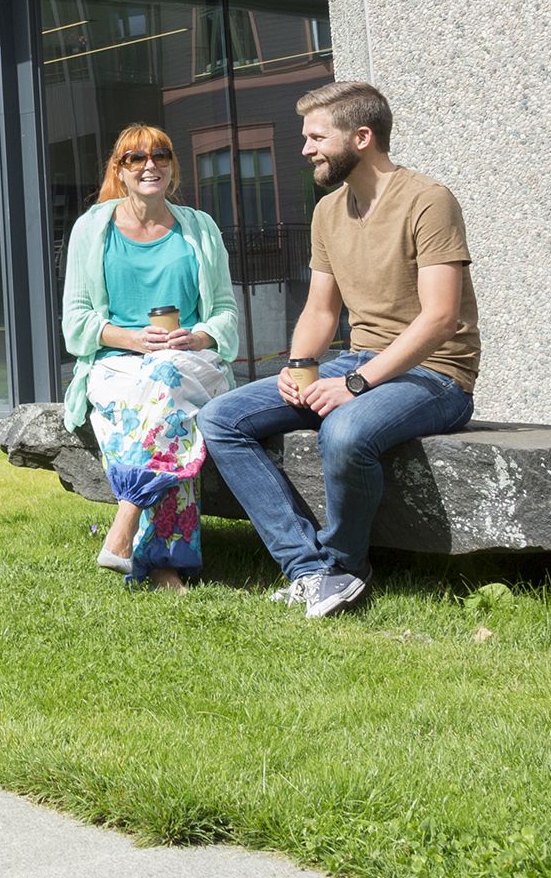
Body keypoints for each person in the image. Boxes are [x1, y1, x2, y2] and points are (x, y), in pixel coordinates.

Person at [195, 81, 477, 619]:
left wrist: (355, 385)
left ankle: (346, 566)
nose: (305, 149)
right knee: (221, 418)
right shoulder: (327, 211)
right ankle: (309, 569)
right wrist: (299, 367)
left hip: (437, 375)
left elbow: (441, 318)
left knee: (343, 432)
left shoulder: (428, 200)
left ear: (362, 137)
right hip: (360, 360)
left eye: (317, 137)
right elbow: (321, 311)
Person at [61, 123, 240, 590]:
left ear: (172, 166)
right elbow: (76, 323)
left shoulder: (199, 228)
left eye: (160, 155)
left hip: (190, 361)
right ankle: (164, 565)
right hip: (118, 360)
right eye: (136, 158)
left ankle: (127, 519)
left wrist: (199, 336)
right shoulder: (92, 230)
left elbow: (225, 313)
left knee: (165, 379)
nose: (150, 165)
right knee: (168, 413)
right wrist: (133, 339)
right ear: (118, 170)